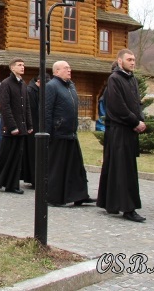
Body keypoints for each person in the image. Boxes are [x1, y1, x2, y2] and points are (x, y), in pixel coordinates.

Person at [96, 49, 147, 222]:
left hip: (129, 130)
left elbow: (136, 103)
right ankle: (128, 208)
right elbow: (118, 107)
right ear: (120, 61)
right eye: (129, 59)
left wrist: (141, 119)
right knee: (123, 170)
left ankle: (111, 203)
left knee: (121, 168)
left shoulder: (131, 79)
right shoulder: (115, 79)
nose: (133, 62)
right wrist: (135, 122)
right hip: (119, 130)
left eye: (134, 59)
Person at [45, 61, 94, 206]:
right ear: (56, 71)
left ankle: (79, 195)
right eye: (66, 68)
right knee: (57, 168)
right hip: (58, 133)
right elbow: (46, 111)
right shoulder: (51, 86)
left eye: (69, 68)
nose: (69, 70)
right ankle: (54, 197)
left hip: (71, 132)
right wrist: (48, 133)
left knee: (76, 168)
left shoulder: (71, 86)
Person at [0, 58, 33, 194]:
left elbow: (27, 106)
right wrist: (12, 126)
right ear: (12, 68)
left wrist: (29, 124)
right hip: (11, 128)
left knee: (17, 156)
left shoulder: (23, 84)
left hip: (21, 127)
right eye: (19, 65)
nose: (22, 67)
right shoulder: (6, 84)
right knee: (6, 154)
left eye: (23, 65)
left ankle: (11, 184)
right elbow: (5, 107)